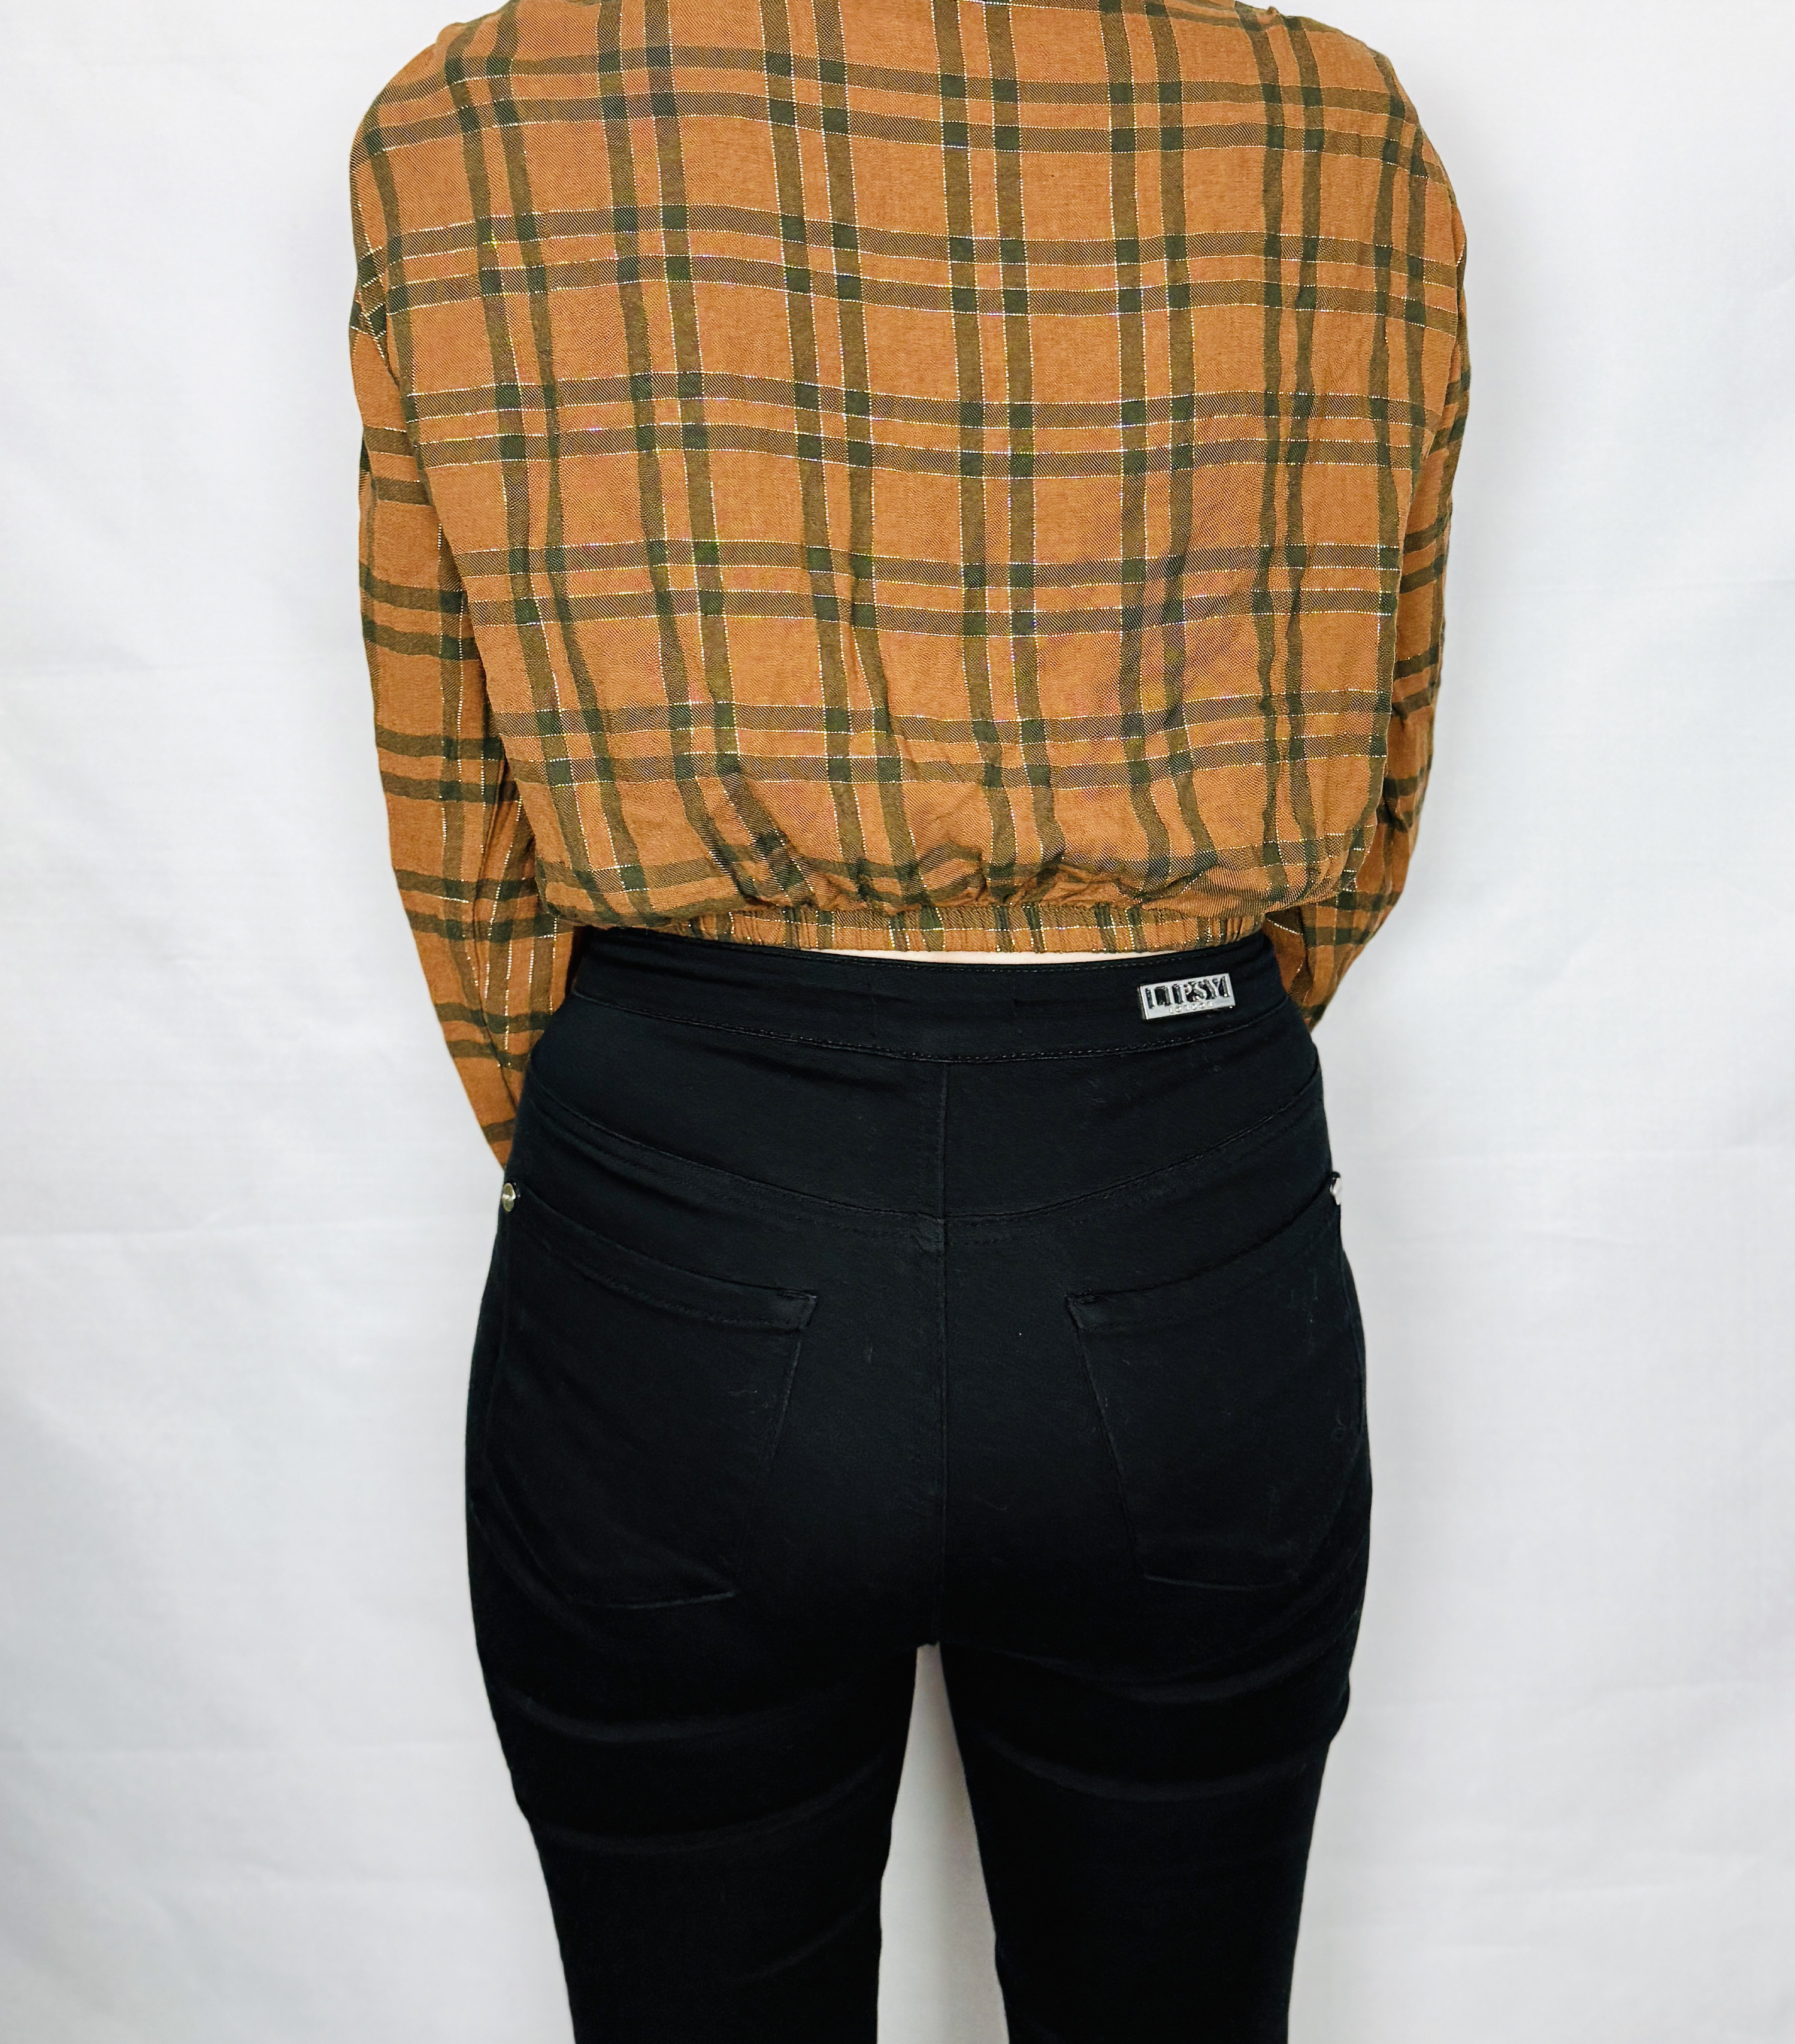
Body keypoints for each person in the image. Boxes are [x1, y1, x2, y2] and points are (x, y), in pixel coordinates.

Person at [347, 1, 1466, 2037]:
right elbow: (1375, 749)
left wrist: (652, 1132)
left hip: (679, 1209)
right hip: (1174, 1191)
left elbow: (451, 773)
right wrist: (1155, 1056)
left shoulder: (475, 115)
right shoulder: (1332, 121)